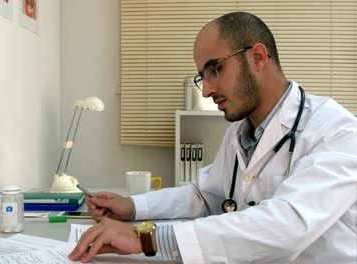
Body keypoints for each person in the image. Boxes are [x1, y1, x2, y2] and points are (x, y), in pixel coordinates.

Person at [68, 12, 357, 264]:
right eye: (201, 76)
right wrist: (133, 206)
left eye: (214, 69)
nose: (206, 90)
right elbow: (205, 195)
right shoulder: (239, 132)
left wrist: (148, 238)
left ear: (257, 57)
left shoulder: (336, 130)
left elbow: (289, 225)